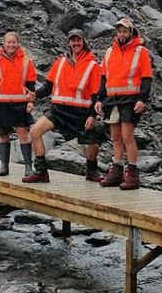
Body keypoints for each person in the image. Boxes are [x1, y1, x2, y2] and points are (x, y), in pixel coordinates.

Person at [22, 28, 102, 184]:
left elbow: (96, 95)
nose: (76, 43)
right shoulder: (60, 62)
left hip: (81, 113)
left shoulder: (92, 65)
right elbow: (48, 87)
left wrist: (93, 115)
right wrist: (35, 95)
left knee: (93, 145)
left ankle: (91, 171)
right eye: (73, 40)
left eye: (78, 40)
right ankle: (41, 172)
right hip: (59, 110)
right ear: (69, 43)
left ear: (83, 42)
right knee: (35, 131)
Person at [94, 17, 152, 190]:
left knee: (127, 136)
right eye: (119, 31)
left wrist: (142, 99)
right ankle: (117, 170)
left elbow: (146, 77)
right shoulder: (110, 52)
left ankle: (133, 174)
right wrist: (99, 99)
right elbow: (104, 77)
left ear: (131, 32)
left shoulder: (140, 52)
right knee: (116, 137)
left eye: (125, 31)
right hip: (112, 100)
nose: (121, 34)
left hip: (131, 99)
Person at [0, 31, 37, 176]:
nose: (11, 45)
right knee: (3, 135)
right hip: (1, 104)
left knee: (23, 133)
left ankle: (28, 167)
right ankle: (4, 166)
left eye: (14, 42)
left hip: (20, 104)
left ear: (18, 43)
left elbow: (31, 85)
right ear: (4, 43)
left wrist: (31, 102)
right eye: (9, 42)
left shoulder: (27, 62)